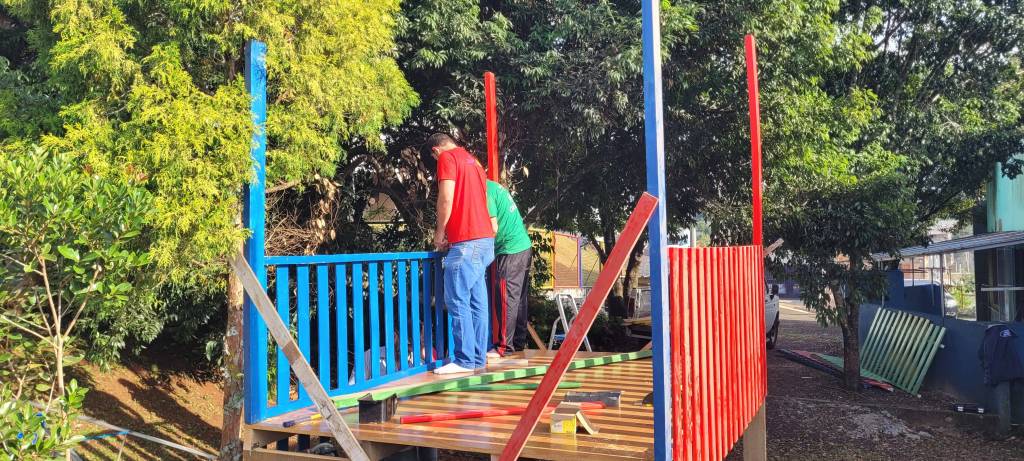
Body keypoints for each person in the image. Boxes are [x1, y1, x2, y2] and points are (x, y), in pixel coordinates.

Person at [424, 133, 495, 374]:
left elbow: (446, 199)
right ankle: (477, 359)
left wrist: (439, 233)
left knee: (456, 298)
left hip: (467, 242)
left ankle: (464, 361)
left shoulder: (447, 158)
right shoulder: (474, 162)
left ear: (436, 150)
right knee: (477, 302)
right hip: (484, 240)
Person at [486, 180, 533, 358]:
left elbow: (493, 228)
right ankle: (518, 342)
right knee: (518, 299)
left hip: (511, 249)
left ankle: (504, 347)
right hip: (522, 246)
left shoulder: (484, 191)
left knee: (506, 298)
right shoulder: (493, 186)